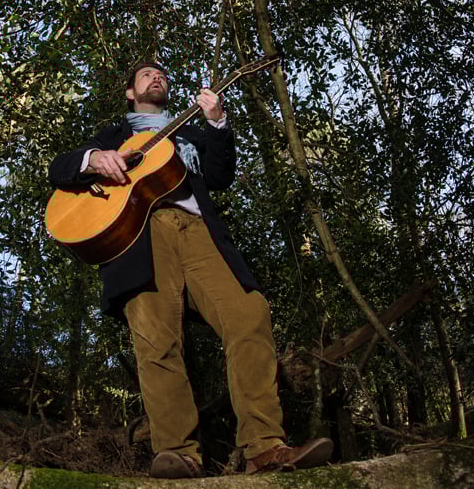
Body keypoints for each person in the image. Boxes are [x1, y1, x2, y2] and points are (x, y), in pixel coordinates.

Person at [48, 61, 333, 479]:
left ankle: (264, 447)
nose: (155, 78)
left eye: (160, 74)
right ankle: (177, 454)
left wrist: (217, 121)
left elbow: (220, 175)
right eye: (145, 75)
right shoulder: (113, 137)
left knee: (249, 314)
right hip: (139, 238)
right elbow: (60, 168)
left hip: (199, 234)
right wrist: (96, 159)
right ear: (130, 93)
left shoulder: (191, 132)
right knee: (156, 341)